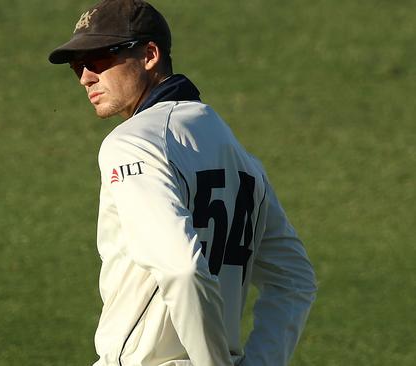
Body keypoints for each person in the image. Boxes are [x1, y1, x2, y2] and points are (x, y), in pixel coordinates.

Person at [48, 1, 317, 365]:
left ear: (149, 54)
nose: (84, 77)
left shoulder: (132, 143)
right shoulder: (239, 155)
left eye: (97, 60)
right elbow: (294, 279)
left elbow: (182, 268)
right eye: (76, 66)